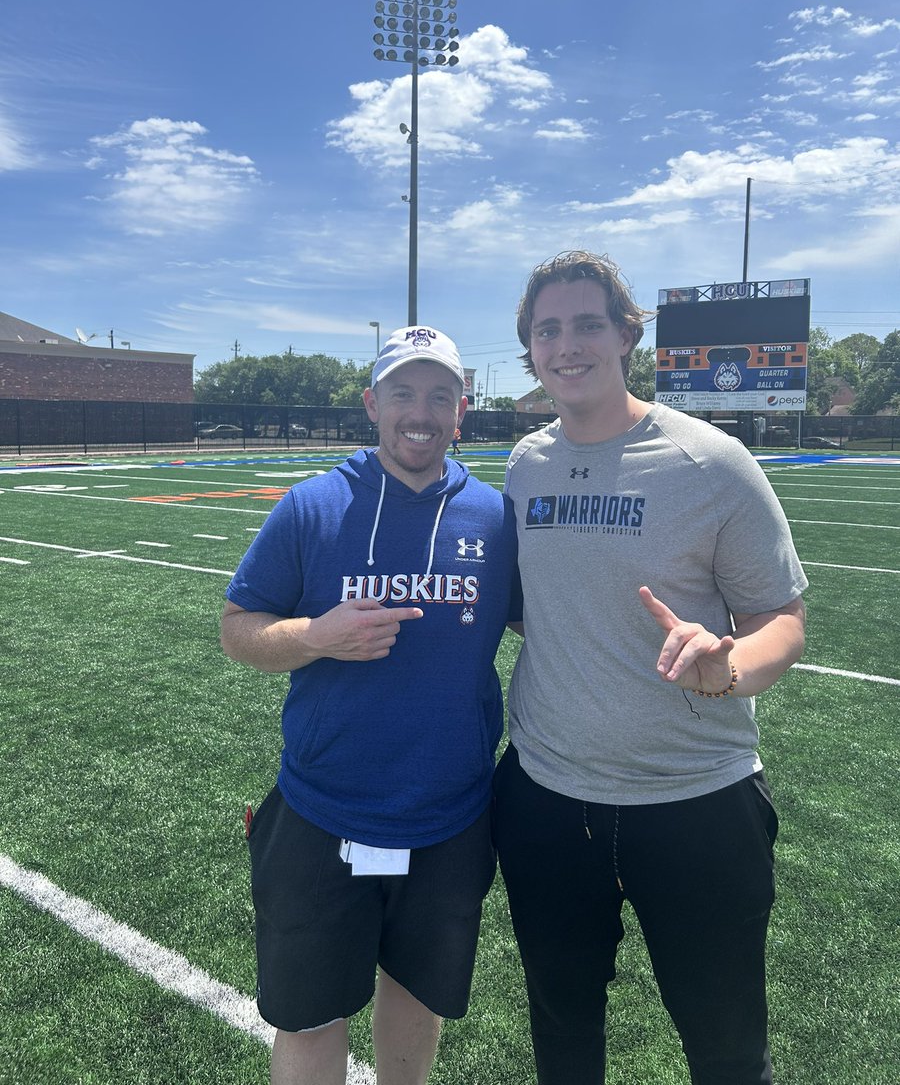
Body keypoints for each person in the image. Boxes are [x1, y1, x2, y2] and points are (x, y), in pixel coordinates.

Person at [493, 251, 808, 1085]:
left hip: (697, 802)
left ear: (627, 335)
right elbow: (534, 607)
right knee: (563, 1040)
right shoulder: (524, 465)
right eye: (547, 329)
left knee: (728, 1050)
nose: (568, 345)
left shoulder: (711, 461)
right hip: (549, 802)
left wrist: (730, 663)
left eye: (587, 324)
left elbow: (781, 616)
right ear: (529, 347)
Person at [221, 325, 521, 1085]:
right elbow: (237, 630)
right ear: (371, 403)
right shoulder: (312, 507)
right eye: (402, 393)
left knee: (416, 1003)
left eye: (439, 395)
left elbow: (546, 620)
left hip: (451, 818)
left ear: (462, 410)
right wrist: (316, 636)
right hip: (324, 812)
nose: (420, 412)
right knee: (312, 1016)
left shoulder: (493, 517)